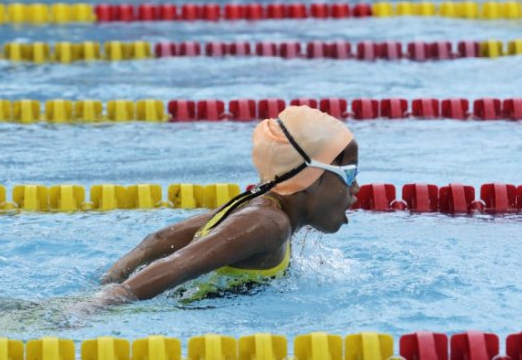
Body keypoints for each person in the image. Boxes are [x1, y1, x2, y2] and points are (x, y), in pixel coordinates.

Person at [81, 105, 359, 309]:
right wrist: (101, 304)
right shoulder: (268, 224)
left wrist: (109, 280)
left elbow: (159, 239)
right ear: (310, 179)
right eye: (349, 175)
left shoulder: (257, 205)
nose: (356, 189)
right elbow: (178, 264)